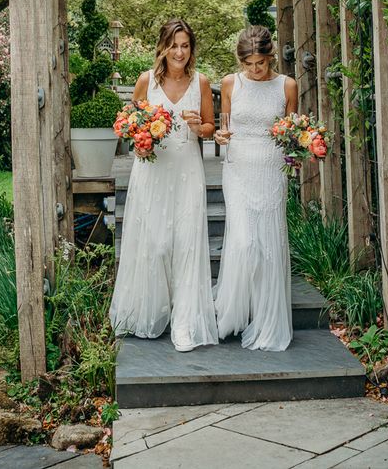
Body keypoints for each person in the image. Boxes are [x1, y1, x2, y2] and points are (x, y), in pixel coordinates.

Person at [109, 19, 218, 352]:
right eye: (174, 45)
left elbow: (212, 128)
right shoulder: (146, 81)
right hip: (153, 173)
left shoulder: (201, 82)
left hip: (187, 170)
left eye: (185, 46)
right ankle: (151, 313)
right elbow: (130, 125)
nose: (180, 52)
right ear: (163, 47)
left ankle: (184, 323)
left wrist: (201, 128)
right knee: (155, 245)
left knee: (186, 245)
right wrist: (139, 143)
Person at [213, 25, 298, 351]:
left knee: (267, 248)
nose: (254, 70)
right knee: (245, 242)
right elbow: (224, 128)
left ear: (270, 57)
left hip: (271, 170)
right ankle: (232, 313)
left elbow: (291, 133)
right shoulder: (231, 83)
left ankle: (265, 319)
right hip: (237, 170)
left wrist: (301, 146)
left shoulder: (287, 86)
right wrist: (220, 138)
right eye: (248, 65)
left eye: (259, 64)